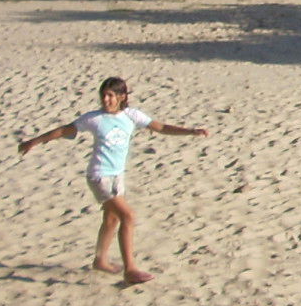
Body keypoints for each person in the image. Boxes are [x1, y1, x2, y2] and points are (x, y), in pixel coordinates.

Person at [18, 77, 208, 285]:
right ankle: (130, 269)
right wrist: (33, 142)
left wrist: (191, 131)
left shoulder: (132, 115)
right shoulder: (94, 119)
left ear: (122, 97)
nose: (105, 100)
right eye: (103, 95)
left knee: (111, 219)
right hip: (99, 176)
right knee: (128, 216)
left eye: (110, 95)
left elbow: (160, 127)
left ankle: (100, 259)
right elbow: (64, 130)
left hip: (118, 176)